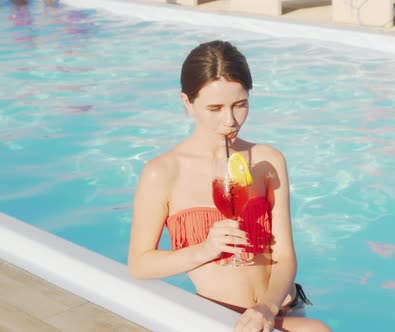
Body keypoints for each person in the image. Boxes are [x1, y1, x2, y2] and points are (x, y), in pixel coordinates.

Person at [128, 40, 331, 332]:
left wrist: (267, 307)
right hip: (223, 318)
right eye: (214, 108)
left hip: (278, 308)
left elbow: (284, 254)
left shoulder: (267, 161)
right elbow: (140, 264)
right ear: (187, 102)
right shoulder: (163, 172)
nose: (230, 120)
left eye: (240, 105)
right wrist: (205, 249)